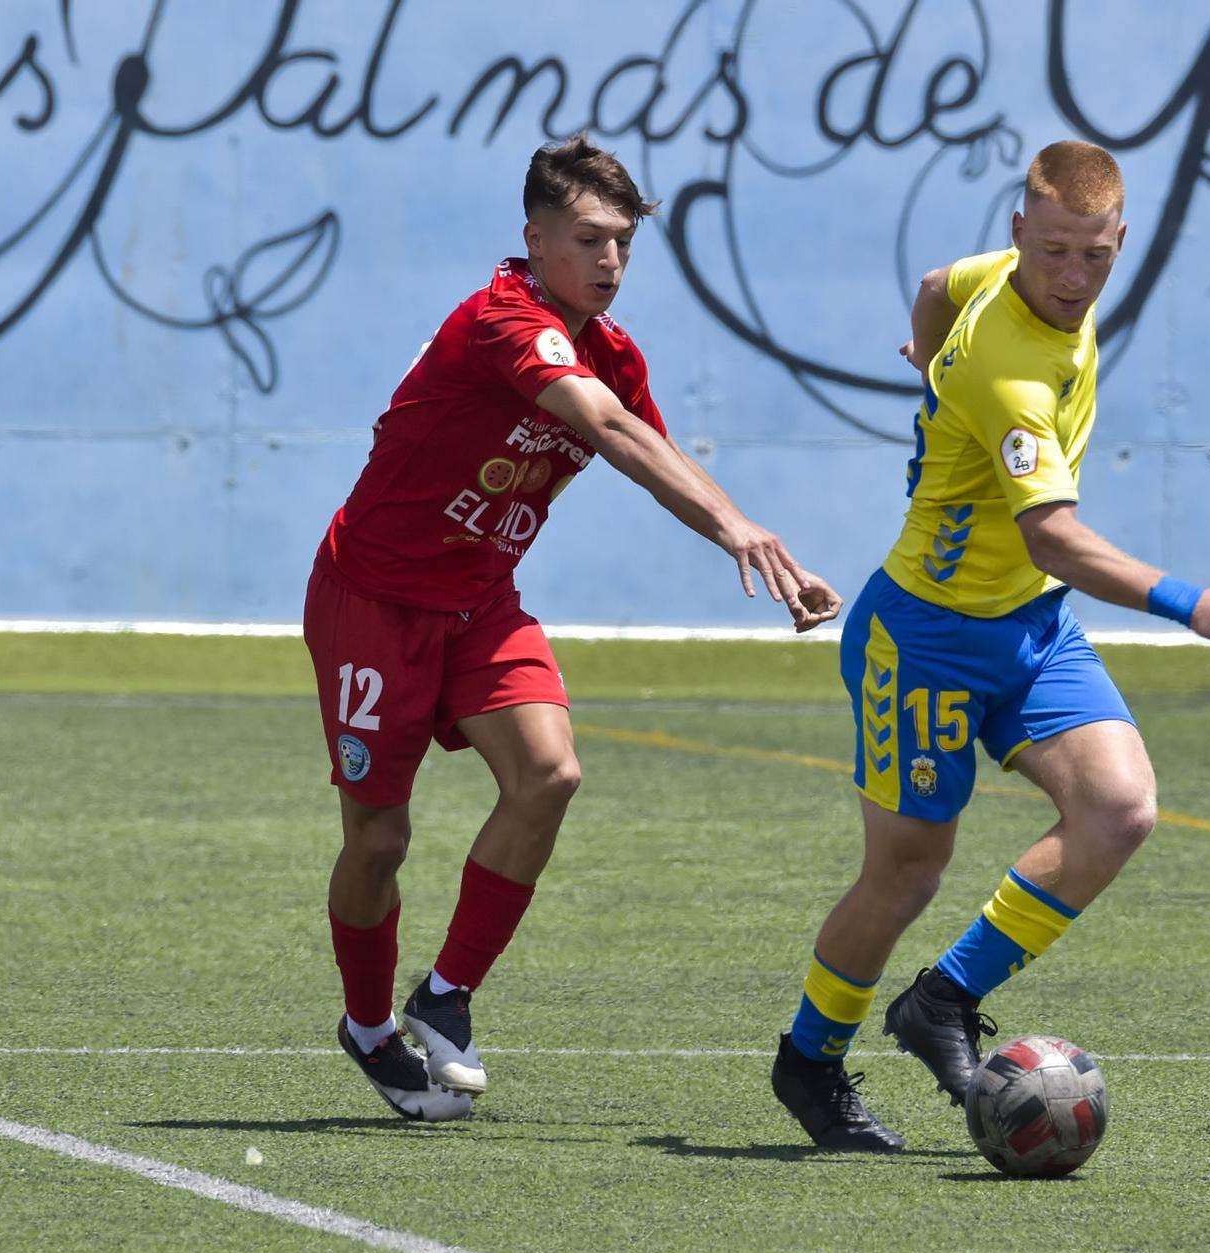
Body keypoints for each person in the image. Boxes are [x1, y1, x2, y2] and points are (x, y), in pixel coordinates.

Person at [770, 140, 1210, 1150]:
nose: (1068, 277)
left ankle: (942, 998)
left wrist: (925, 366)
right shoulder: (1010, 374)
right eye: (1050, 251)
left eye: (1091, 256)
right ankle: (808, 1058)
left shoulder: (1000, 277)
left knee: (1118, 807)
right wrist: (1188, 601)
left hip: (1031, 624)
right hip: (921, 636)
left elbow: (930, 285)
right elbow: (1047, 530)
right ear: (1018, 233)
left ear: (1117, 242)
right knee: (906, 873)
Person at [307, 133, 841, 1122]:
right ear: (534, 238)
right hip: (372, 602)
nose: (609, 261)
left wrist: (772, 552)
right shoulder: (497, 321)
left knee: (550, 771)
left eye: (624, 244)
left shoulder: (609, 352)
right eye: (589, 238)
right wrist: (740, 530)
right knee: (379, 839)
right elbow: (605, 430)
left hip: (479, 601)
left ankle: (447, 993)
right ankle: (370, 1025)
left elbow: (648, 445)